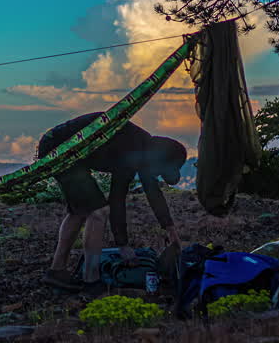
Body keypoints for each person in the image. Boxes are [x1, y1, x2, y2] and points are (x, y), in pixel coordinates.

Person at [38, 112, 187, 291]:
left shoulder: (145, 150)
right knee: (98, 212)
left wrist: (171, 230)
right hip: (61, 148)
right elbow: (117, 198)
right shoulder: (132, 149)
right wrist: (122, 244)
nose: (158, 174)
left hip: (63, 149)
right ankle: (91, 280)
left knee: (79, 211)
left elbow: (153, 192)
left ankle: (57, 271)